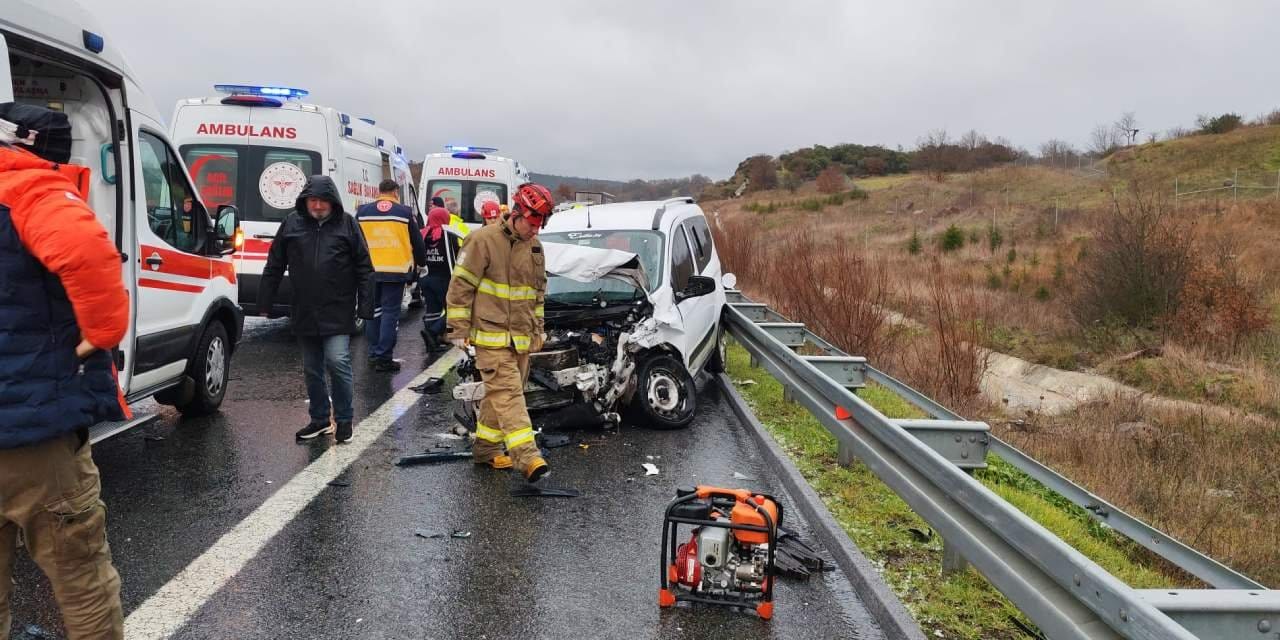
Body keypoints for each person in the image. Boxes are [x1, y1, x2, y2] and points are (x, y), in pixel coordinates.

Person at [0, 103, 128, 639]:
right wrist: (101, 333)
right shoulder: (34, 190)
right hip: (35, 435)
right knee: (81, 580)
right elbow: (88, 254)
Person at [445, 182, 554, 482]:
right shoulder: (482, 240)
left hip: (521, 339)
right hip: (490, 338)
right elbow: (460, 286)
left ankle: (485, 449)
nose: (535, 230)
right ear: (517, 213)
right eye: (532, 223)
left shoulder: (535, 247)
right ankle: (528, 457)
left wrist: (538, 331)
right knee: (509, 395)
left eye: (540, 225)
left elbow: (537, 295)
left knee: (500, 397)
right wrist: (457, 329)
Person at [259, 175, 374, 443]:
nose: (318, 206)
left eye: (323, 201)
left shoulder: (348, 224)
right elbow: (275, 263)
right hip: (304, 309)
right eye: (313, 200)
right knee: (312, 368)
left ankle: (344, 419)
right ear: (305, 201)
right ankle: (320, 419)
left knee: (337, 361)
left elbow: (364, 267)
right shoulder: (291, 224)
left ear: (333, 201)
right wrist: (265, 302)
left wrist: (366, 306)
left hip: (338, 309)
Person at [356, 179, 427, 371]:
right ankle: (384, 357)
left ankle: (373, 353)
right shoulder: (404, 212)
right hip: (396, 270)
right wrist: (421, 263)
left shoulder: (362, 212)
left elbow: (355, 240)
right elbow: (417, 242)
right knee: (390, 313)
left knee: (373, 312)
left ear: (379, 192)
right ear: (396, 192)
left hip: (370, 271)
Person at [419, 205, 461, 350]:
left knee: (432, 311)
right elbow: (455, 257)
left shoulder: (423, 234)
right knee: (453, 310)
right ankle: (433, 332)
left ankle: (432, 342)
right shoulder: (448, 234)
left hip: (426, 278)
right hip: (444, 279)